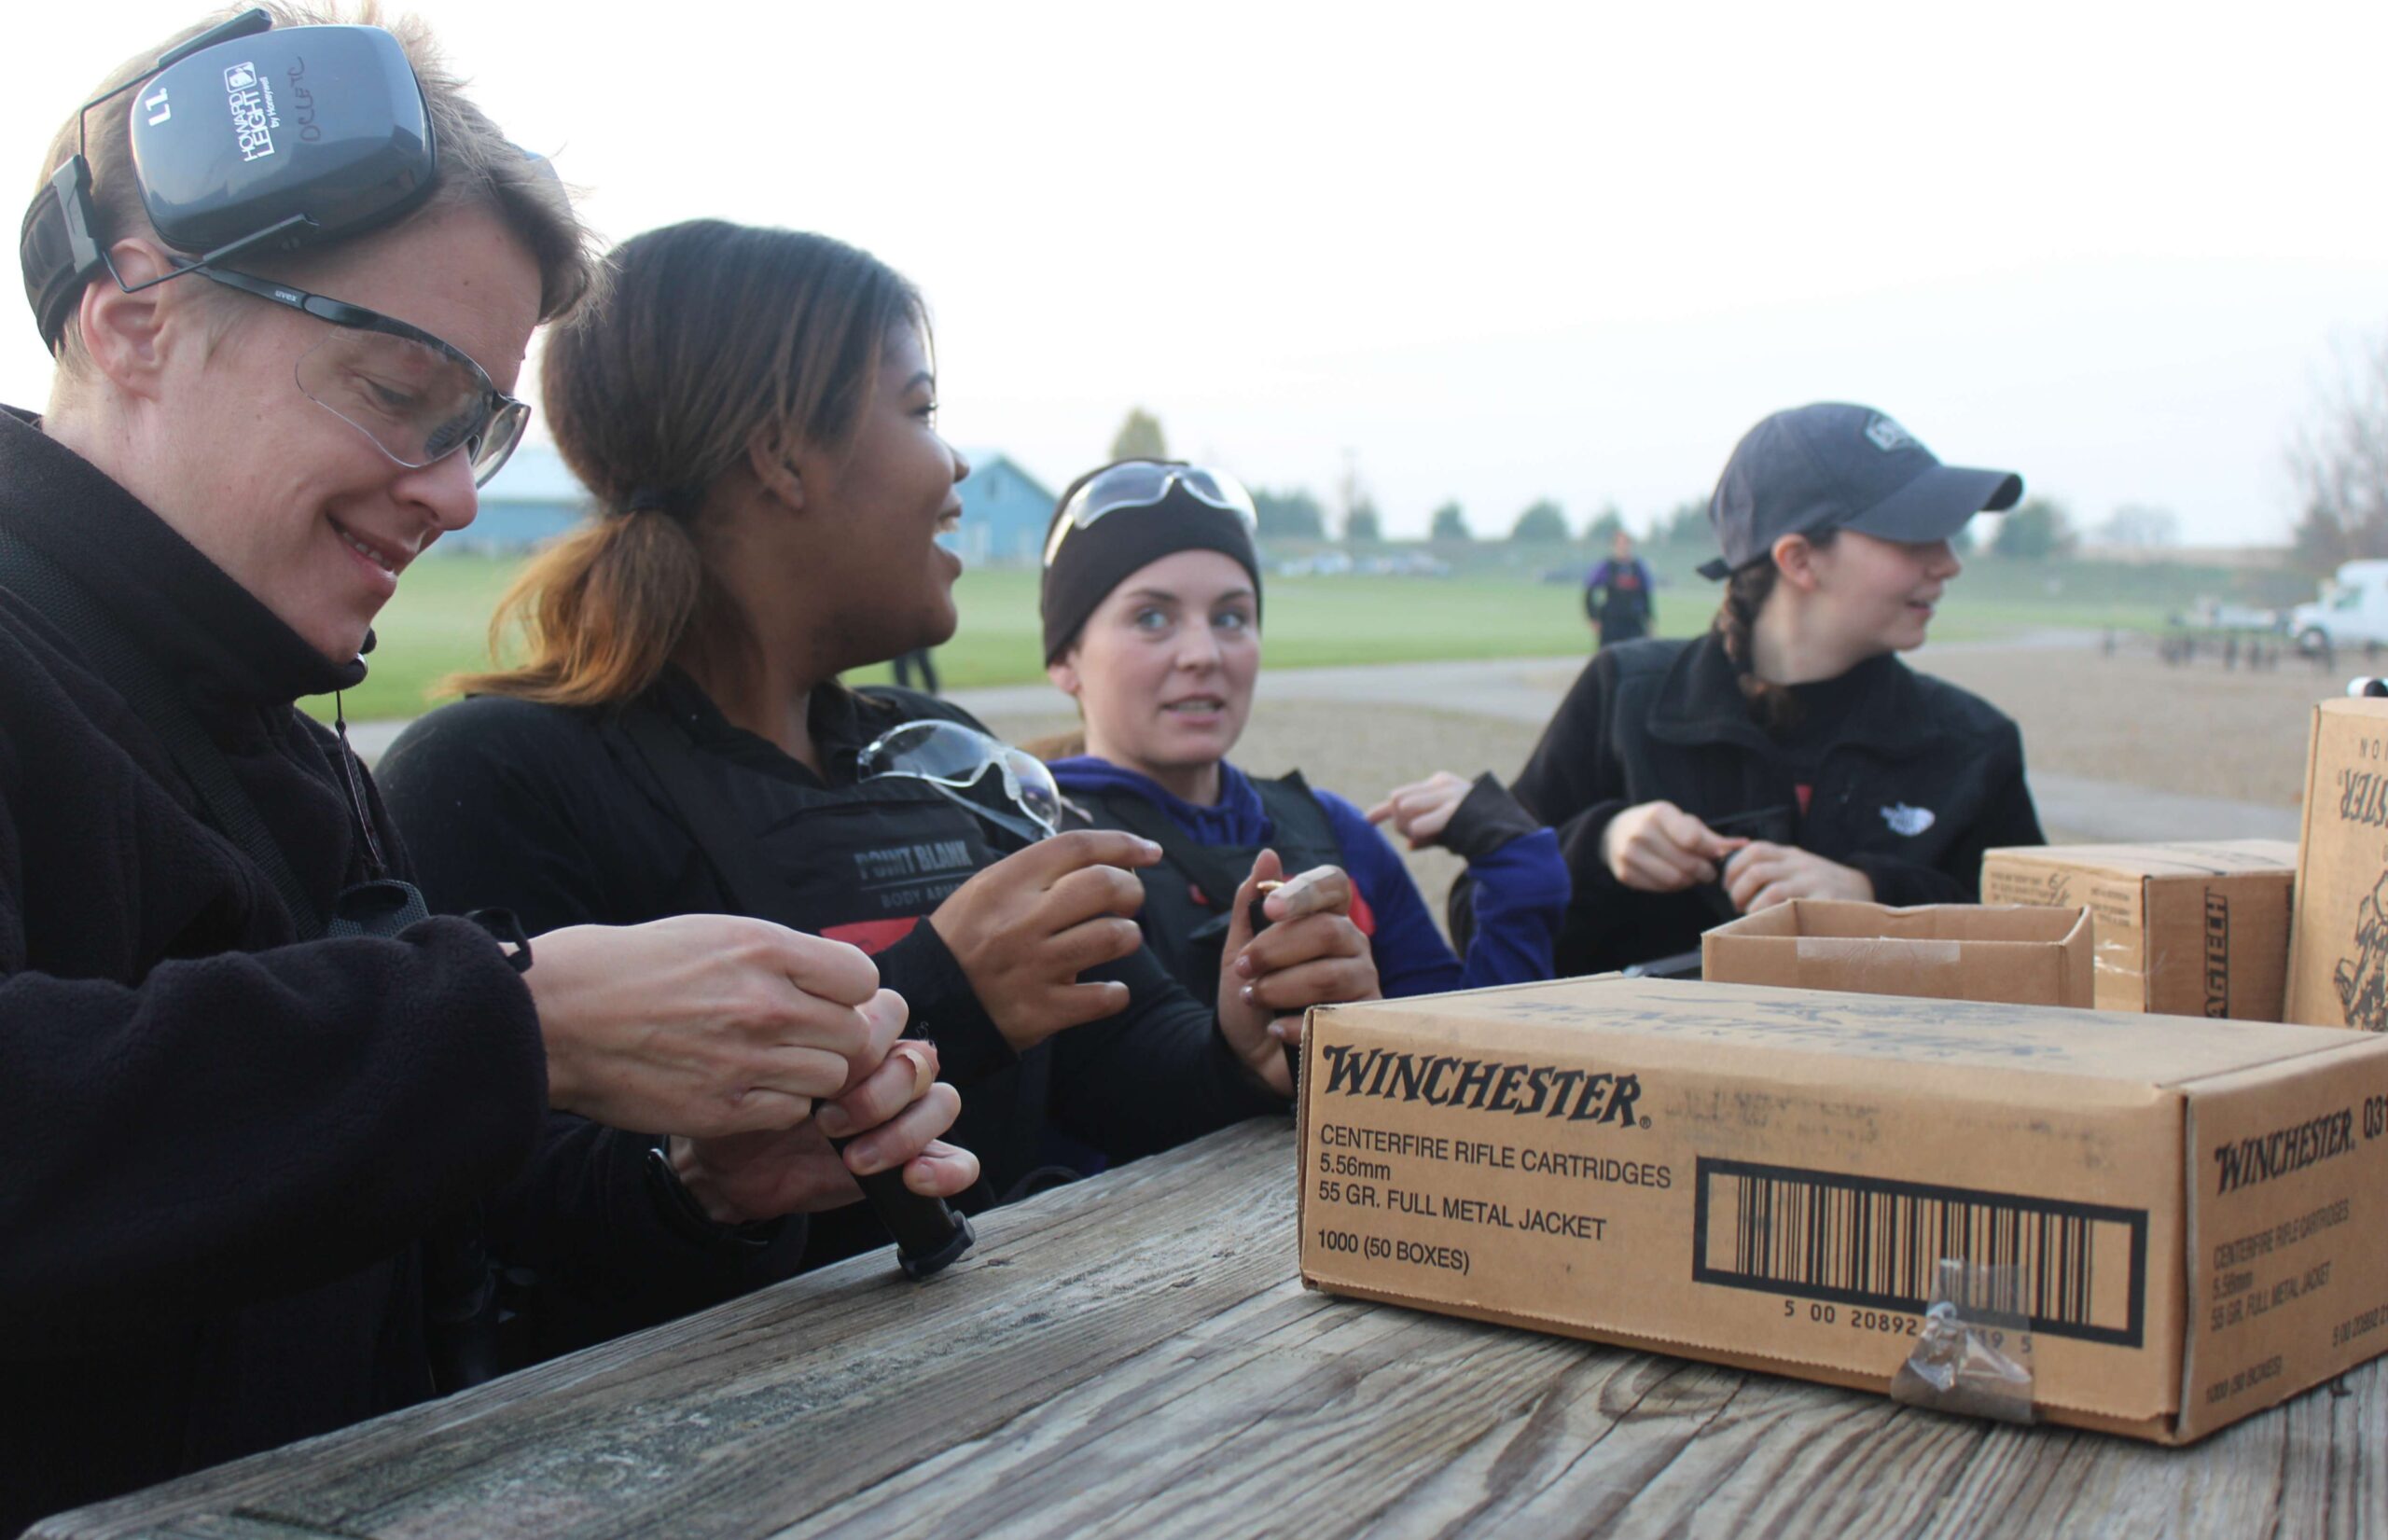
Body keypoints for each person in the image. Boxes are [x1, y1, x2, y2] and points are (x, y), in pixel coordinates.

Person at [0, 14, 975, 1530]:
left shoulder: (292, 748)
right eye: (398, 395)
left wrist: (695, 1180)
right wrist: (510, 1020)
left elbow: (418, 1241)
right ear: (134, 321)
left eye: (478, 427)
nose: (457, 492)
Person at [379, 221, 1372, 1243]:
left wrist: (1244, 1044)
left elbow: (1135, 1072)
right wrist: (944, 996)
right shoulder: (499, 780)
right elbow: (499, 1244)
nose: (954, 472)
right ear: (780, 455)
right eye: (920, 410)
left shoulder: (944, 752)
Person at [1508, 403, 2047, 978]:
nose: (1949, 562)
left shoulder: (1972, 745)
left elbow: (2050, 957)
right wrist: (1599, 845)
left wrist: (1878, 901)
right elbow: (1479, 924)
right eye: (1914, 535)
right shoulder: (1623, 697)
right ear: (1799, 560)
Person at [1035, 461, 1569, 1006]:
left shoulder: (1333, 833)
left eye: (1231, 617)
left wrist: (1518, 874)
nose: (1204, 654)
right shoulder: (1031, 848)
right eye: (1151, 618)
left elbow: (1465, 1069)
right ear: (1065, 659)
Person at [1584, 528, 1656, 646]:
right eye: (1619, 543)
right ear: (1613, 545)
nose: (1622, 546)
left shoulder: (1638, 568)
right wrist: (1593, 617)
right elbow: (1590, 592)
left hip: (1633, 623)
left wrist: (1649, 620)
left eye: (1625, 543)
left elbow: (1645, 596)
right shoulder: (1605, 567)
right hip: (1611, 623)